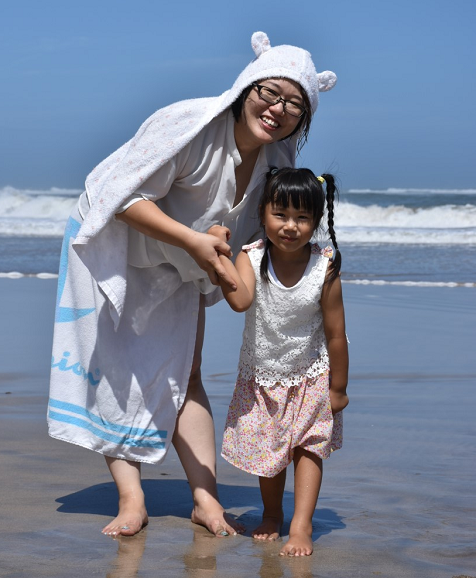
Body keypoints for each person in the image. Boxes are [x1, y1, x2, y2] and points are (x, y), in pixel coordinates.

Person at [47, 32, 337, 539]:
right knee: (117, 365)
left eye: (294, 104)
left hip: (180, 260)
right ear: (246, 87)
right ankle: (132, 499)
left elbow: (267, 236)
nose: (277, 108)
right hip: (114, 240)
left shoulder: (275, 167)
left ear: (304, 117)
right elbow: (123, 194)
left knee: (189, 370)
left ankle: (206, 499)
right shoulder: (191, 128)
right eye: (269, 93)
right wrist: (194, 241)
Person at [210, 167, 349, 556]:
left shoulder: (325, 267)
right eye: (281, 215)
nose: (291, 226)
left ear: (317, 221)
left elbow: (337, 334)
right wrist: (218, 260)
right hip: (262, 376)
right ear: (263, 214)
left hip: (313, 374)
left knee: (308, 448)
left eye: (303, 218)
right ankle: (272, 514)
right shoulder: (251, 258)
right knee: (269, 450)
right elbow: (239, 302)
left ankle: (301, 525)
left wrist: (339, 387)